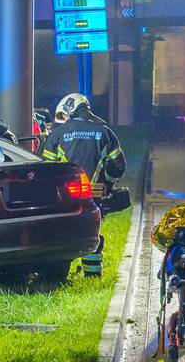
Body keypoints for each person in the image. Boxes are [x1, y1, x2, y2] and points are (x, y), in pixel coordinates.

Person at [40, 93, 127, 277]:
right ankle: (93, 275)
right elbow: (118, 165)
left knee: (62, 231)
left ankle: (58, 274)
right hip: (94, 195)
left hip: (64, 196)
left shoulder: (58, 134)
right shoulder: (104, 131)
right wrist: (107, 184)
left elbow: (47, 168)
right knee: (91, 230)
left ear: (68, 111)